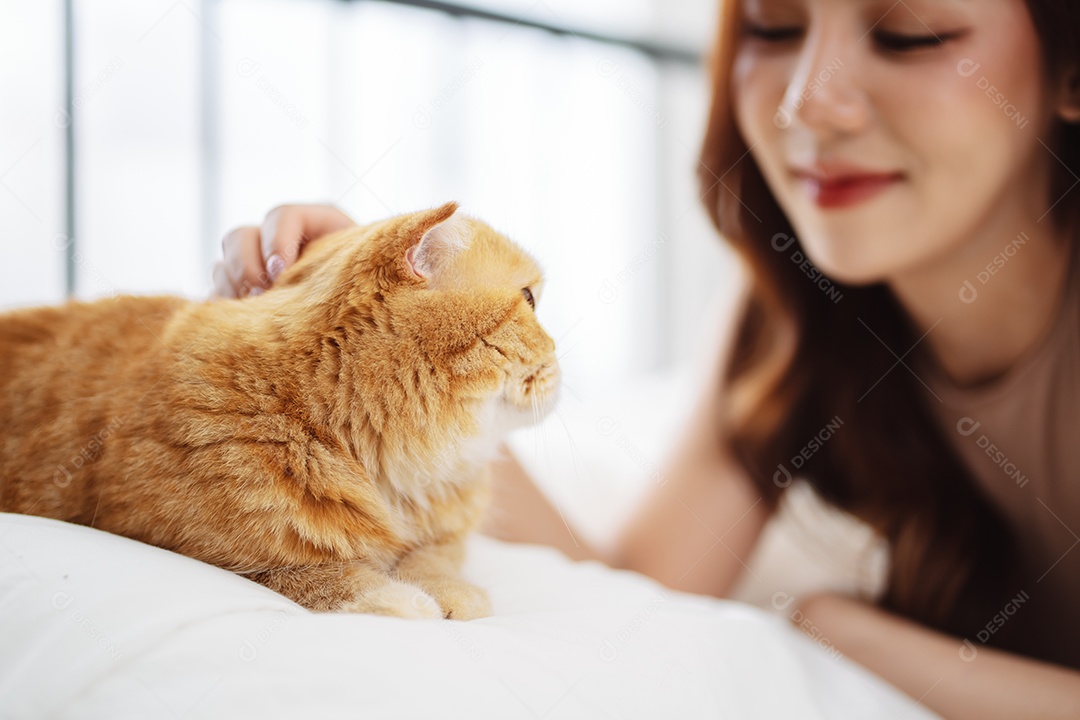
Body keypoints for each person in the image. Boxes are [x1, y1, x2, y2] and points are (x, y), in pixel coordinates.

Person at [214, 0, 1080, 716]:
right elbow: (638, 593)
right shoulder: (785, 311)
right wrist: (406, 356)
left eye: (910, 35)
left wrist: (838, 629)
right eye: (774, 28)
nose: (807, 105)